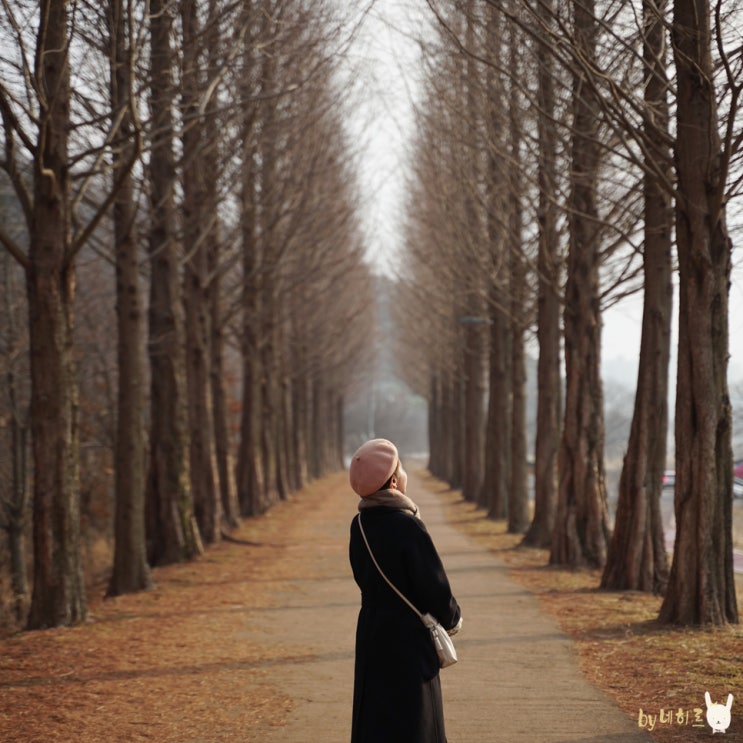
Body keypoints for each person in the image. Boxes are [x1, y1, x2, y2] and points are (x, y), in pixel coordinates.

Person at [348, 438, 462, 743]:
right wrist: (452, 618)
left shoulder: (359, 525)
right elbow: (433, 583)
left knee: (376, 716)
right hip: (408, 636)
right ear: (395, 481)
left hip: (372, 631)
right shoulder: (408, 525)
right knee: (415, 718)